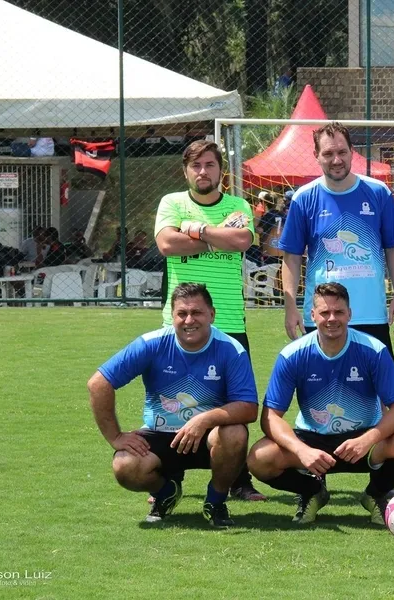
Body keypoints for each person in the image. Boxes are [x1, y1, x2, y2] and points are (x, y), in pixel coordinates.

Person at [247, 283, 394, 525]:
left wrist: (368, 439)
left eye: (339, 312)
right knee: (260, 458)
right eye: (324, 313)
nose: (332, 319)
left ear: (349, 314)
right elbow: (270, 416)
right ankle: (312, 491)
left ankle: (375, 494)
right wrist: (301, 450)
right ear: (312, 315)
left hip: (364, 442)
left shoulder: (373, 350)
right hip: (312, 442)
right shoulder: (293, 355)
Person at [87, 283, 258, 527]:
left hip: (208, 438)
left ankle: (216, 501)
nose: (189, 320)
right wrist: (115, 437)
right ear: (172, 316)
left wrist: (204, 420)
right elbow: (98, 384)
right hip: (160, 435)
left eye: (197, 312)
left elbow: (248, 407)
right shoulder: (151, 344)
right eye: (182, 313)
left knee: (235, 433)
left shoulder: (231, 349)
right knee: (124, 466)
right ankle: (165, 493)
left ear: (212, 314)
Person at [154, 139, 266, 502]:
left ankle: (239, 481)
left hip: (229, 321)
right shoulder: (171, 203)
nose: (203, 172)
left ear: (221, 171)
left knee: (236, 405)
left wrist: (196, 230)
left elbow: (243, 240)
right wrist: (219, 237)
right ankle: (171, 477)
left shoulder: (238, 205)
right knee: (174, 403)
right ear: (186, 170)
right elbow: (168, 245)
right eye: (196, 165)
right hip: (180, 325)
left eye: (209, 165)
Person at [279, 122, 394, 359]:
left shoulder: (378, 192)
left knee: (378, 393)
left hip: (371, 314)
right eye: (328, 153)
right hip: (323, 315)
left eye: (341, 152)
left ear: (352, 152)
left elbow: (393, 248)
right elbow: (292, 257)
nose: (336, 160)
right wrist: (290, 307)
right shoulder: (304, 198)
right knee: (319, 391)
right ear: (316, 156)